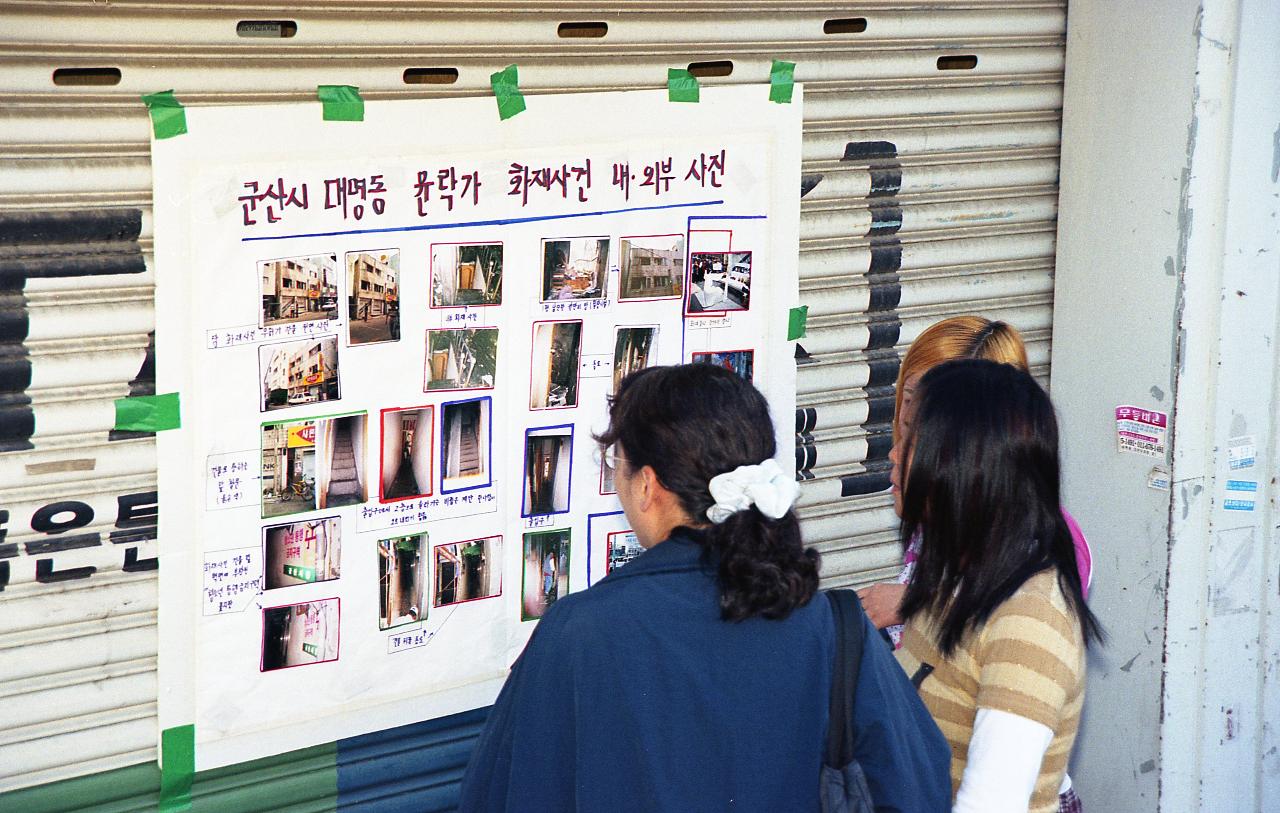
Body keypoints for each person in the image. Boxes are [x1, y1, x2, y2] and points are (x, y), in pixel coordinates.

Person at [459, 363, 950, 812]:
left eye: (619, 463)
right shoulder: (836, 630)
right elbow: (918, 786)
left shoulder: (578, 633)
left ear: (647, 485)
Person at [890, 359, 1104, 813]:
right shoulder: (958, 575)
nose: (893, 454)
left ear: (960, 464)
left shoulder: (1029, 621)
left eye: (910, 440)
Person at [858, 316, 1093, 646]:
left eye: (936, 416)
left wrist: (915, 605)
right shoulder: (937, 510)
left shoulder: (1043, 544)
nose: (911, 429)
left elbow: (1027, 633)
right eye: (910, 399)